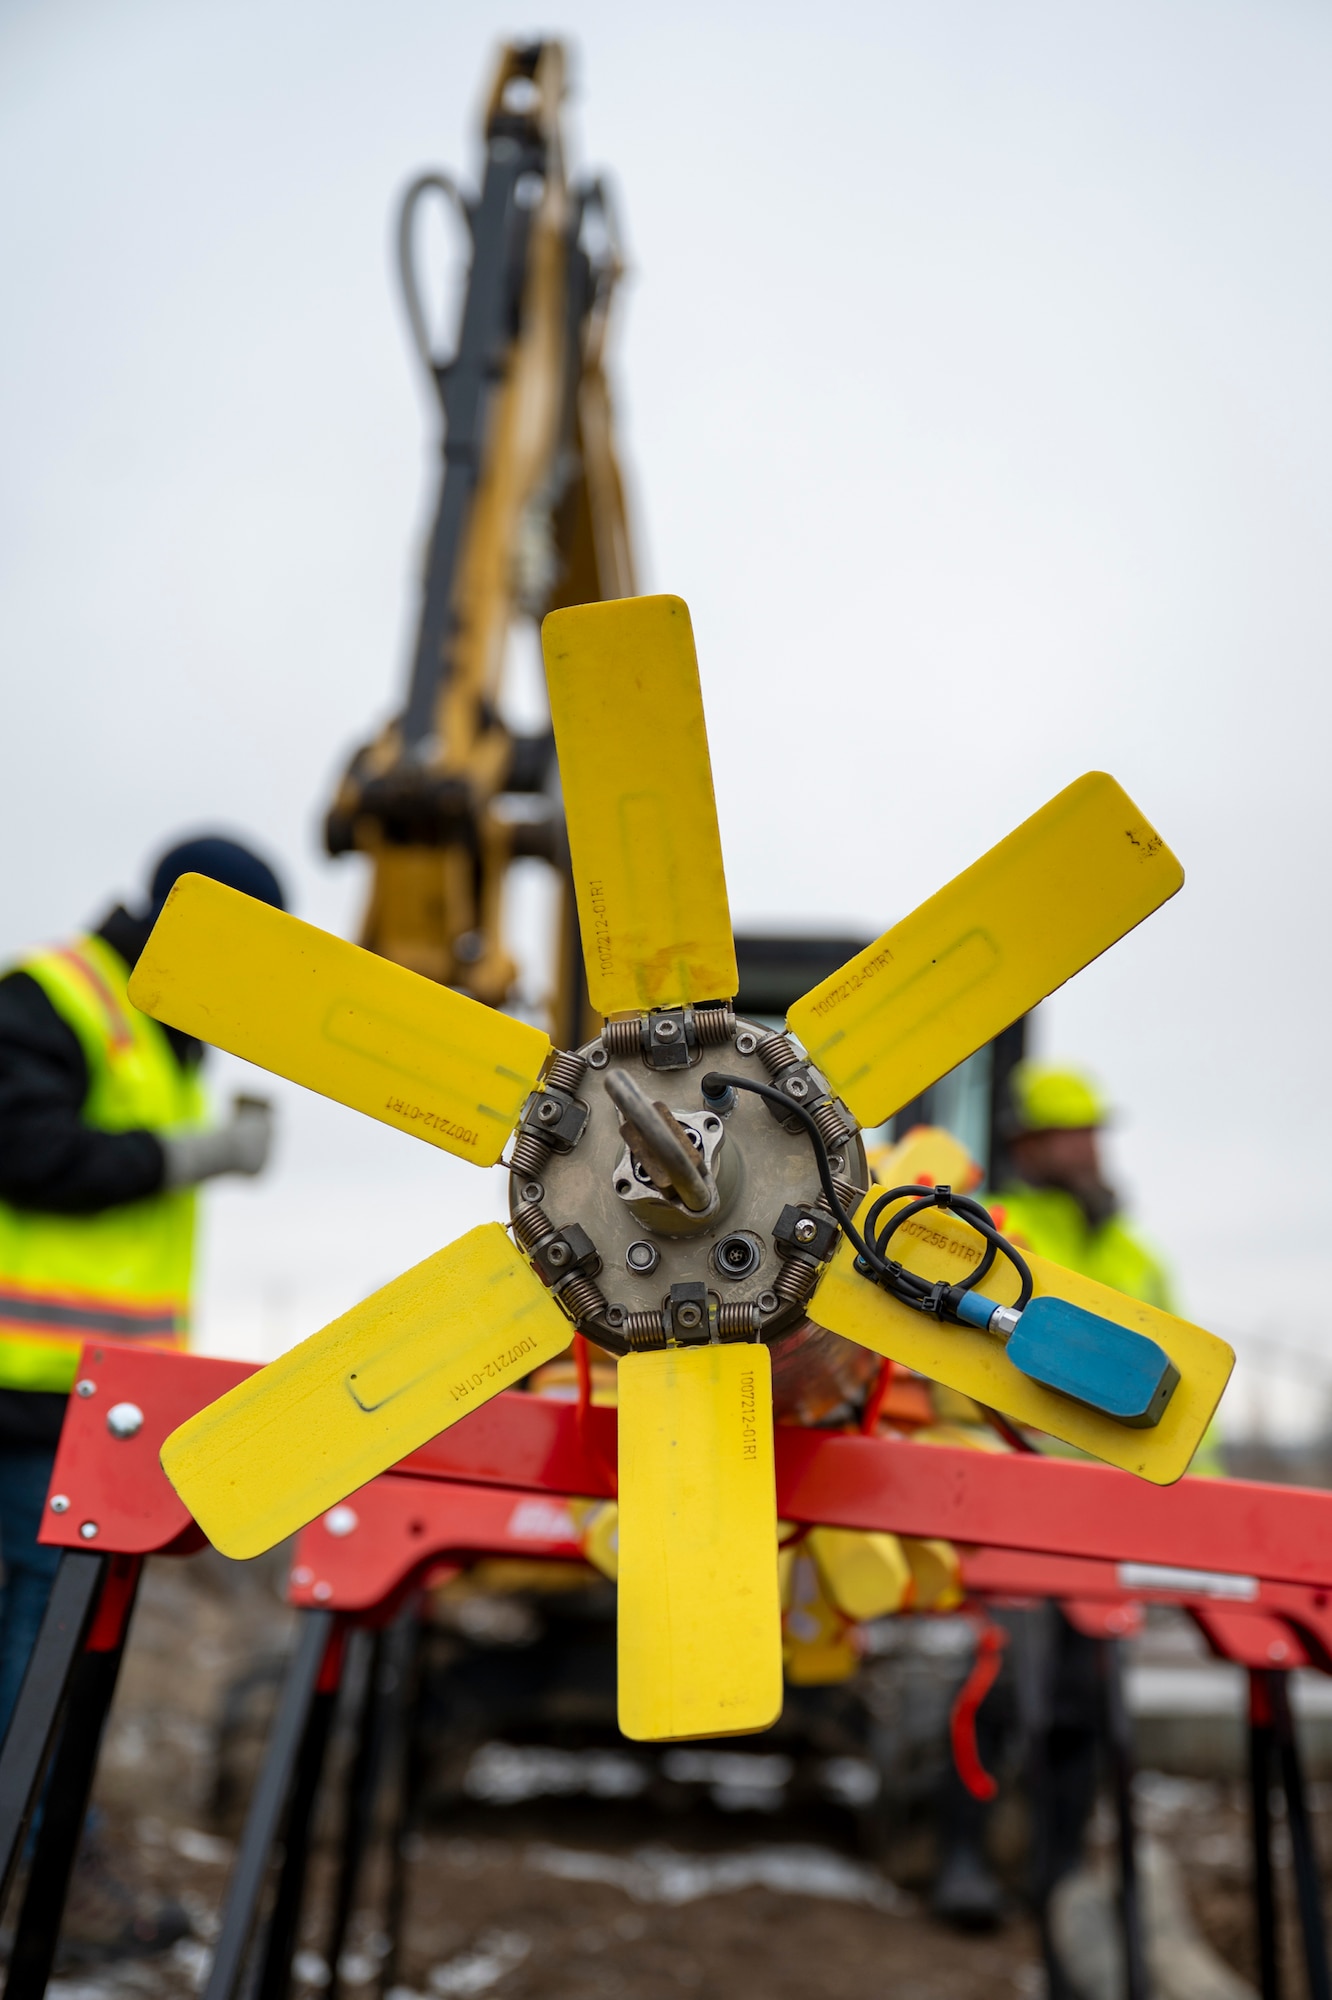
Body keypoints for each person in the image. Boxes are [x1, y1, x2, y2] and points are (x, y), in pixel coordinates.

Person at [0, 835, 284, 1959]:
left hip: (84, 1403)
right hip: (23, 1396)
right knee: (32, 1648)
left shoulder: (157, 1031)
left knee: (41, 1646)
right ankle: (44, 1879)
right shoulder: (59, 999)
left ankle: (52, 1862)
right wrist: (190, 1154)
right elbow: (26, 1149)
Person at [991, 1060, 1174, 1310]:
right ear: (1026, 1145)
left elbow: (1180, 1348)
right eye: (1067, 1134)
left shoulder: (1140, 1259)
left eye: (1090, 1133)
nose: (1086, 1148)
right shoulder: (993, 1225)